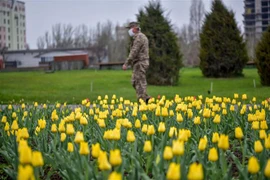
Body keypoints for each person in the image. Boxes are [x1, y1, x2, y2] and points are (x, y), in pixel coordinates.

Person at [122, 22, 151, 104]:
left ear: (134, 28)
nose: (129, 31)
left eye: (129, 29)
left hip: (140, 63)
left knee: (140, 82)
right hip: (139, 62)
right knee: (135, 81)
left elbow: (134, 52)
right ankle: (145, 98)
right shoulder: (140, 37)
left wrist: (126, 63)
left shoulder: (139, 38)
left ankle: (143, 101)